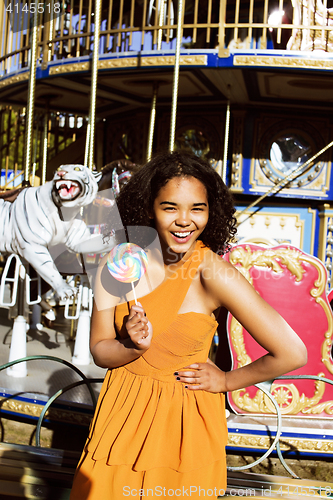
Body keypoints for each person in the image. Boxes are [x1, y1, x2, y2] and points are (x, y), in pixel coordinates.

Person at [70, 151, 307, 500]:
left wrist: (227, 380)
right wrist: (131, 346)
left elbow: (292, 352)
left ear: (212, 211)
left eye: (197, 208)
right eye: (170, 207)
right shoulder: (120, 260)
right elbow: (100, 351)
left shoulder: (213, 272)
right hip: (120, 418)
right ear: (148, 207)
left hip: (181, 428)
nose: (185, 220)